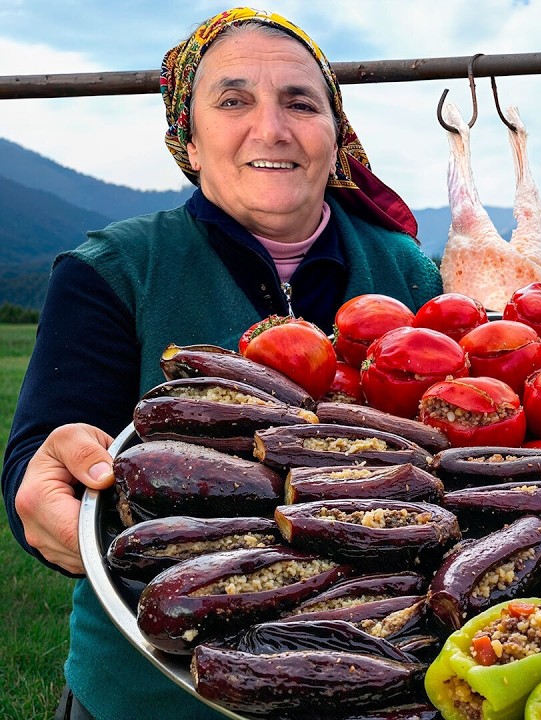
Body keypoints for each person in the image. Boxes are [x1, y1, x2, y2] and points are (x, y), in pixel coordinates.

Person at [2, 8, 442, 719]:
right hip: (154, 691)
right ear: (190, 141)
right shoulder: (114, 269)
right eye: (233, 101)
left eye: (301, 102)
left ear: (337, 140)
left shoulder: (409, 272)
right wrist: (46, 487)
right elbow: (41, 452)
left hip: (375, 680)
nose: (271, 128)